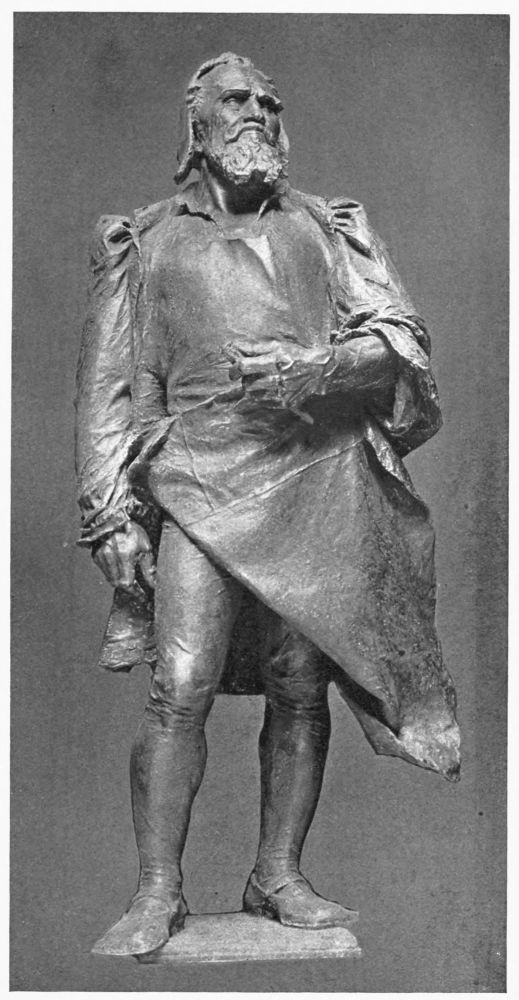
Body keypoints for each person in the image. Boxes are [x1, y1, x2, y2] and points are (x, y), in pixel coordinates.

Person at [75, 53, 460, 957]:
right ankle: (158, 889)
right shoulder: (146, 242)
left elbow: (400, 339)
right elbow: (107, 389)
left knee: (297, 685)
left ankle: (276, 874)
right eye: (236, 99)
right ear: (197, 122)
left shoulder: (326, 227)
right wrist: (109, 514)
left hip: (314, 475)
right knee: (179, 685)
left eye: (268, 102)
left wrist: (315, 368)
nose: (258, 112)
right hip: (197, 481)